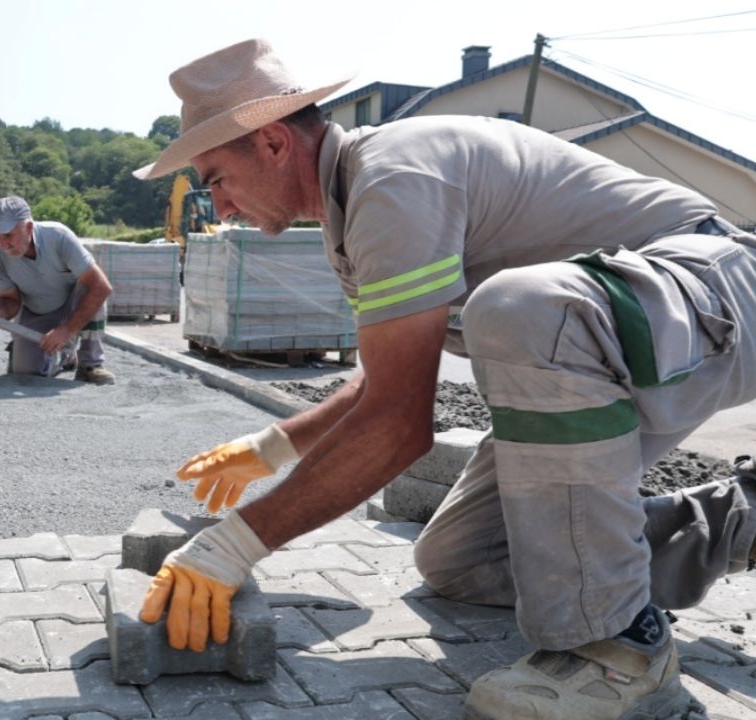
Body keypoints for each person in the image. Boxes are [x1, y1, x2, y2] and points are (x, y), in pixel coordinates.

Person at [133, 38, 756, 720]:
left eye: (217, 177)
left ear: (276, 143)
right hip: (620, 349)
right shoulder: (354, 210)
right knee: (462, 561)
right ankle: (740, 522)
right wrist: (276, 445)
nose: (218, 207)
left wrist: (235, 545)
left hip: (713, 292)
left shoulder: (395, 179)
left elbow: (400, 427)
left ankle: (621, 651)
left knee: (521, 308)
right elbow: (388, 386)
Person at [0, 196, 116, 384]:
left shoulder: (58, 236)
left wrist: (68, 329)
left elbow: (101, 287)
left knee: (92, 288)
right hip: (37, 310)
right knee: (26, 373)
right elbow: (10, 299)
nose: (3, 245)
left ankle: (90, 365)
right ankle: (67, 357)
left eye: (8, 235)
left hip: (73, 304)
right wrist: (0, 313)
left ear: (28, 227)